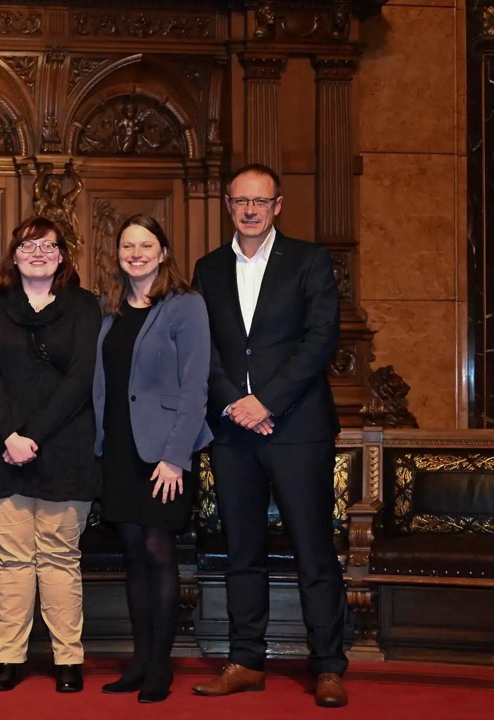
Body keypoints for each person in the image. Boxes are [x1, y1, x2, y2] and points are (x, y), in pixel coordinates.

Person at [190, 164, 347, 708]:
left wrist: (268, 401)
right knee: (242, 552)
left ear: (277, 205)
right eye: (241, 202)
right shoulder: (207, 269)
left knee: (313, 550)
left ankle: (327, 665)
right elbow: (200, 347)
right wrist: (235, 403)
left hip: (298, 427)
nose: (250, 210)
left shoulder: (309, 260)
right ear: (229, 207)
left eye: (260, 201)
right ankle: (245, 661)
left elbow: (320, 338)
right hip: (234, 432)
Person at [0, 216, 101, 694]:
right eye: (28, 246)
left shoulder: (84, 306)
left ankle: (68, 659)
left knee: (61, 557)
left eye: (48, 246)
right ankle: (9, 658)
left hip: (65, 448)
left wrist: (33, 436)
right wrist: (12, 435)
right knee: (13, 560)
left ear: (63, 255)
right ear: (14, 255)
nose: (38, 253)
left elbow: (81, 378)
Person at [92, 214, 212, 703]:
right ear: (117, 254)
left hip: (165, 456)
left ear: (163, 252)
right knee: (134, 560)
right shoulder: (112, 310)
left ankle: (161, 665)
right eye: (127, 245)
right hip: (119, 449)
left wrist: (175, 457)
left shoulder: (186, 306)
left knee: (160, 557)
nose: (135, 253)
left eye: (146, 245)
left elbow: (196, 387)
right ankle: (139, 661)